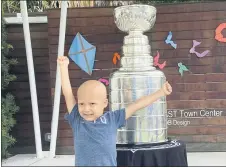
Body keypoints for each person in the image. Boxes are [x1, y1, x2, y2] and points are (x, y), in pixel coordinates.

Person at [57, 56, 172, 166]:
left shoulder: (112, 118)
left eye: (92, 104)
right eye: (81, 104)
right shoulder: (77, 119)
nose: (86, 109)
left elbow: (137, 105)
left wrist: (161, 92)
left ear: (105, 103)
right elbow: (68, 93)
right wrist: (63, 67)